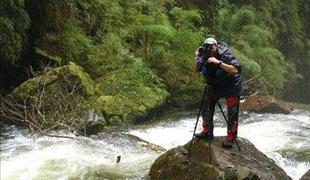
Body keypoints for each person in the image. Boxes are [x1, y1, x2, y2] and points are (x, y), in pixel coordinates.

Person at [194, 37, 242, 148]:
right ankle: (207, 132)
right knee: (206, 107)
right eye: (207, 46)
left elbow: (235, 70)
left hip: (232, 85)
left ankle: (231, 137)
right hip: (214, 85)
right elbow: (196, 70)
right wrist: (197, 57)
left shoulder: (225, 54)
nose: (209, 49)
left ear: (216, 46)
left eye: (212, 46)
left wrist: (218, 62)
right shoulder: (203, 54)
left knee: (232, 112)